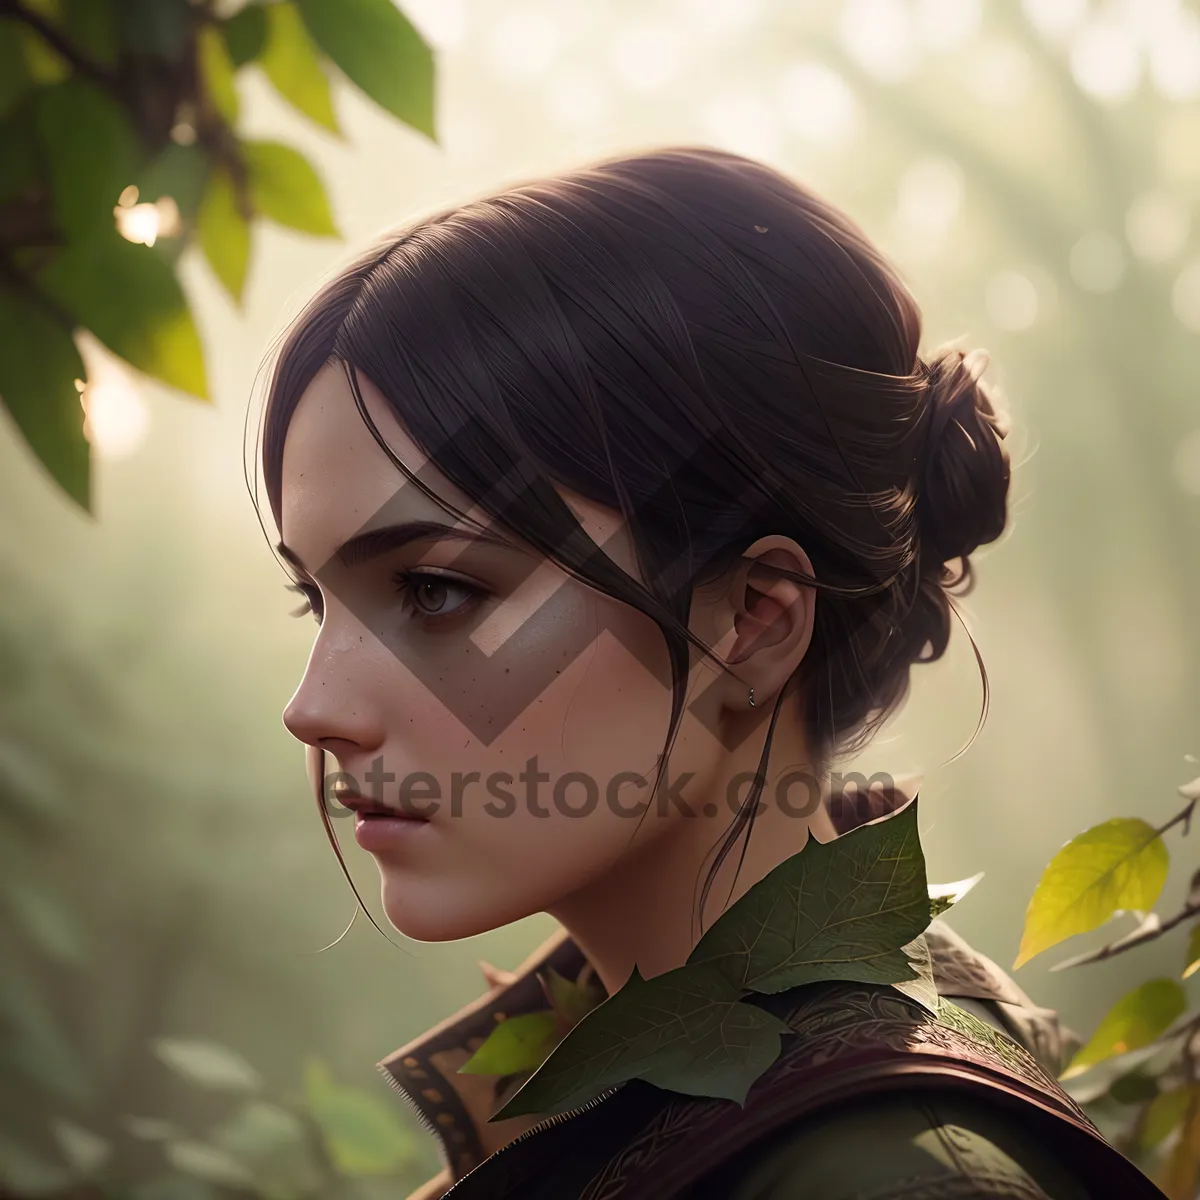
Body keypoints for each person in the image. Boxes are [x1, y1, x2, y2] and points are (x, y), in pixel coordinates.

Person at [254, 147, 1164, 1198]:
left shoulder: (893, 1177)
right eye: (315, 600)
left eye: (435, 590)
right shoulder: (646, 1084)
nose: (312, 709)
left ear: (753, 620)